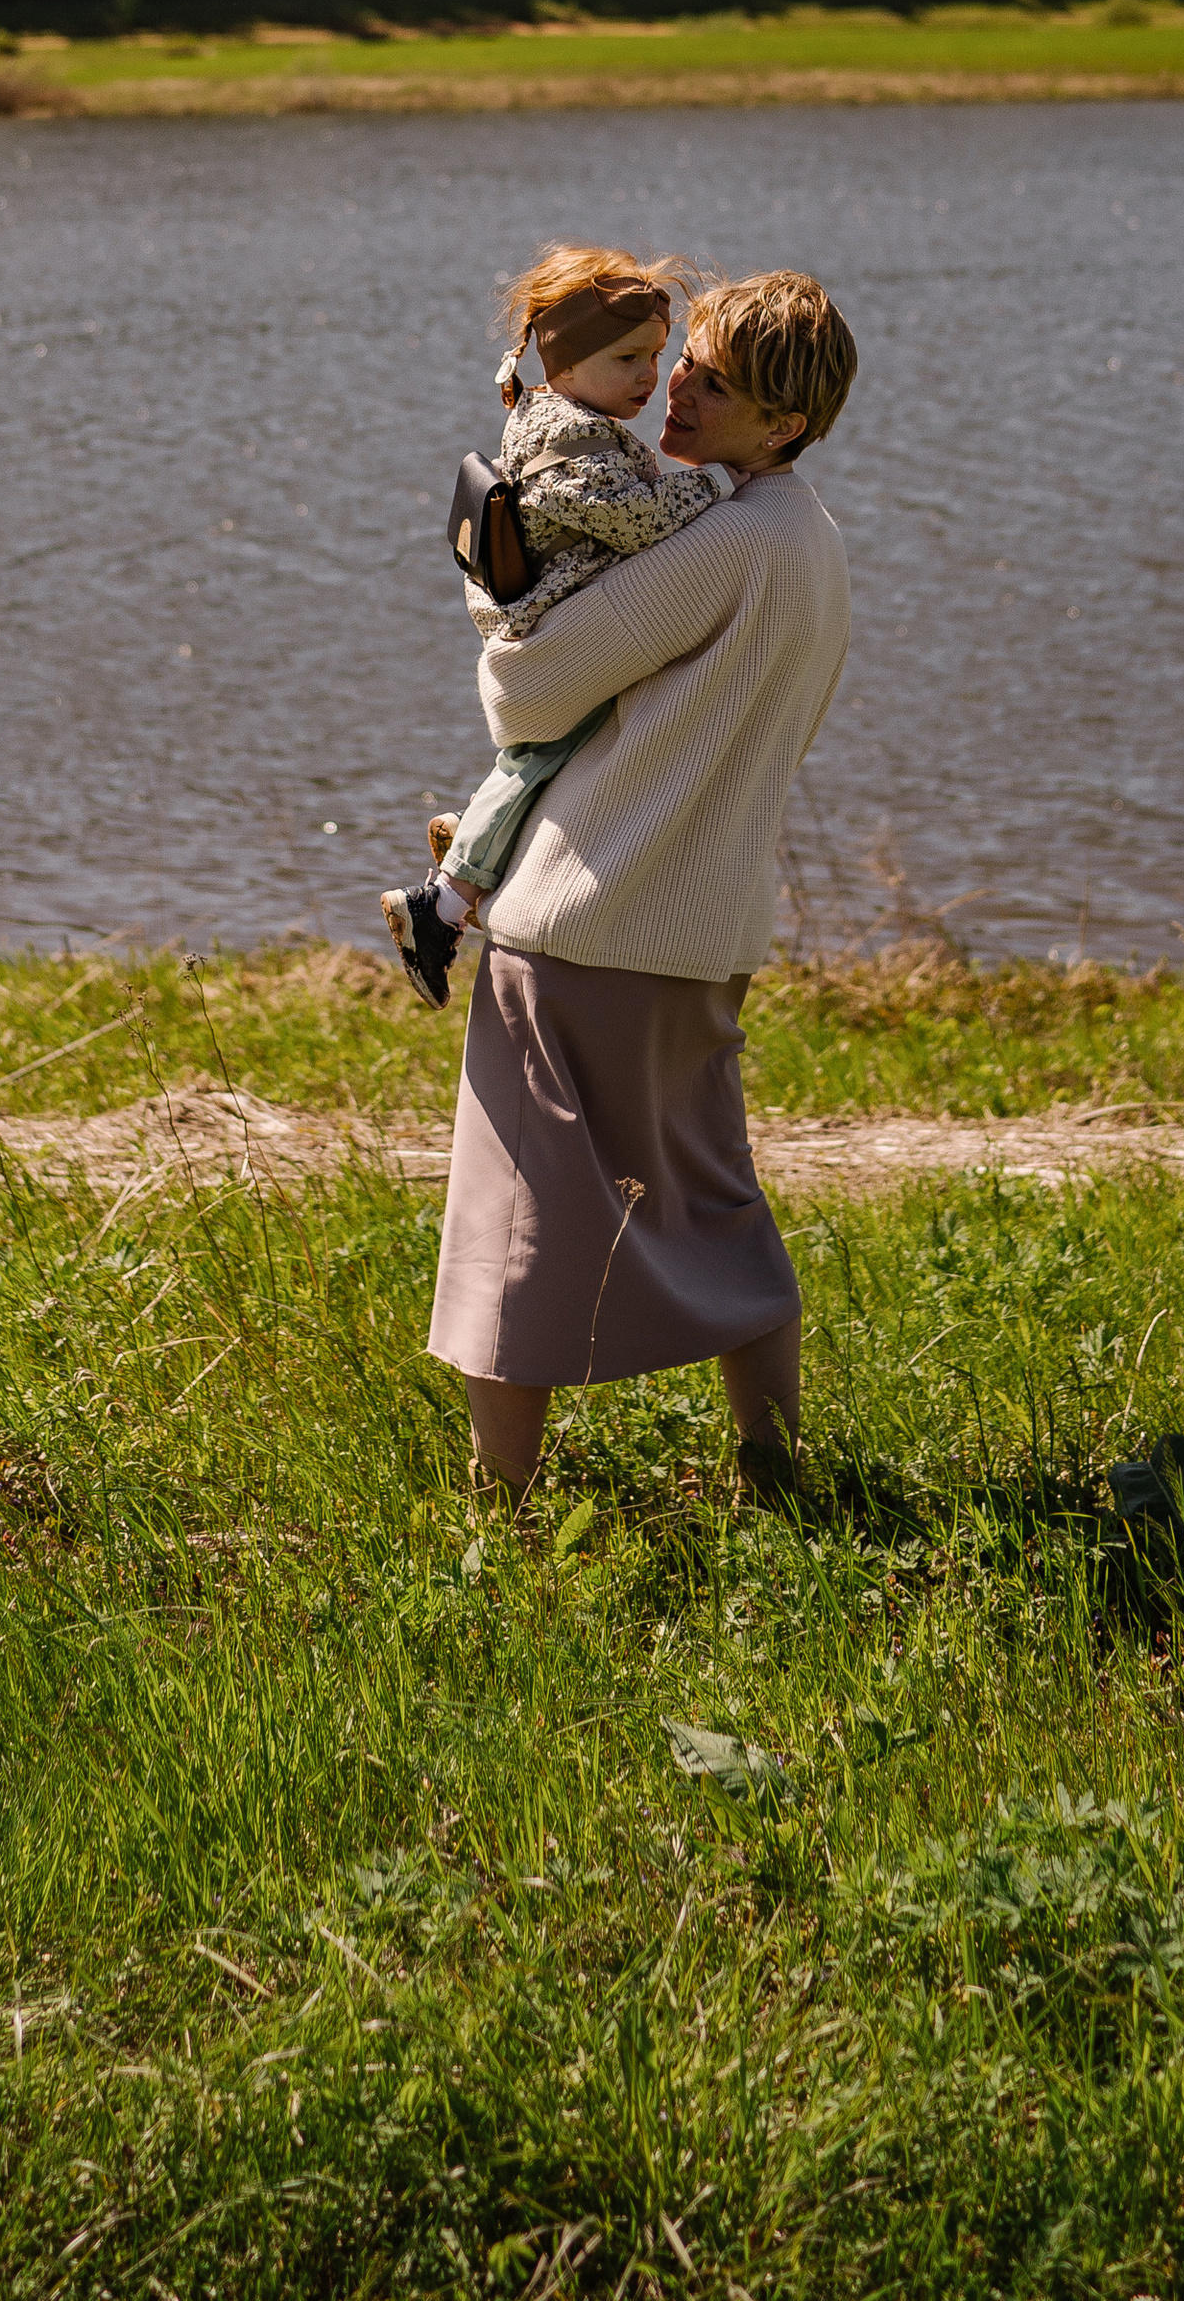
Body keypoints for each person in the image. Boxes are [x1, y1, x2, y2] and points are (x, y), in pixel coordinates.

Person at [424, 268, 858, 1502]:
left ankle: (497, 1518)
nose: (677, 387)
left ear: (784, 425)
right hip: (704, 925)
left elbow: (529, 693)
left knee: (512, 1227)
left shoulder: (719, 542)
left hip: (586, 917)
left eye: (718, 385)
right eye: (688, 361)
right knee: (713, 1199)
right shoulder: (806, 537)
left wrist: (497, 591)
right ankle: (774, 1476)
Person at [381, 245, 735, 1008]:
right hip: (552, 629)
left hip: (556, 617)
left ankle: (471, 836)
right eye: (628, 358)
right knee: (548, 758)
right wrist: (717, 483)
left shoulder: (564, 414)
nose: (649, 376)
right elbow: (636, 520)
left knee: (552, 758)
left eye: (656, 356)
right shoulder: (567, 442)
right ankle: (438, 905)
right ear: (566, 362)